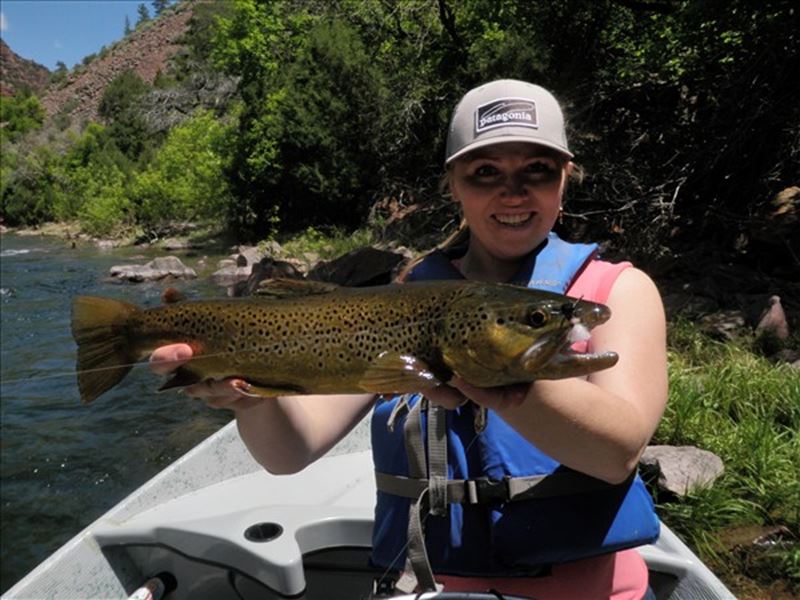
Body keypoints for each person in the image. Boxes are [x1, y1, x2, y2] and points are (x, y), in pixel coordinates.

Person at [150, 79, 667, 599]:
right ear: (454, 184)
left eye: (537, 169)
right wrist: (246, 397)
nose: (513, 191)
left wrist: (493, 375)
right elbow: (290, 452)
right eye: (485, 172)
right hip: (423, 585)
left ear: (565, 178)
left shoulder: (615, 291)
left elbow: (616, 453)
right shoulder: (403, 299)